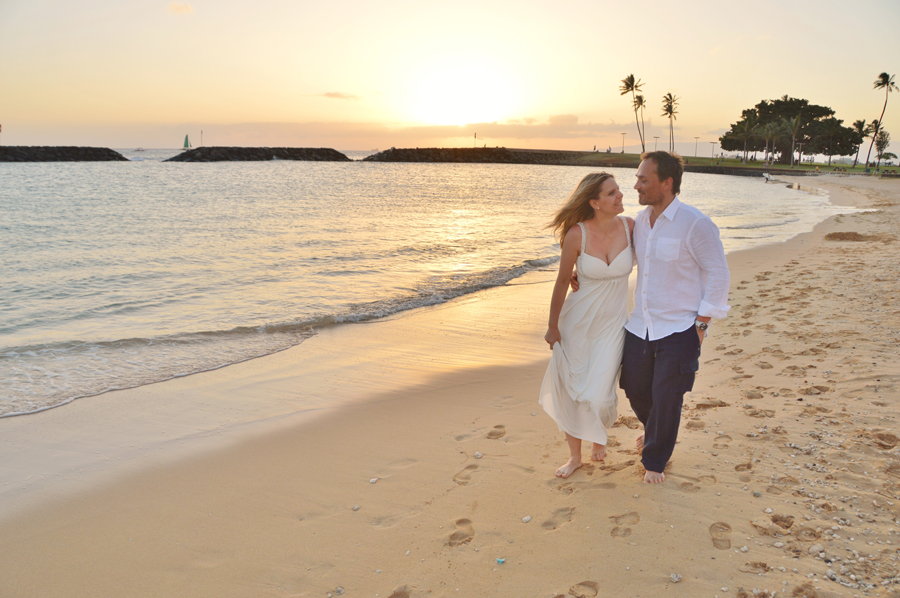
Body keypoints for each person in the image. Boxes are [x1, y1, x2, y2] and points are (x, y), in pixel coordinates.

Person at [618, 151, 730, 483]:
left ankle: (655, 461)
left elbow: (719, 274)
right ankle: (656, 430)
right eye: (637, 178)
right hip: (640, 324)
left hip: (680, 327)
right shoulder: (639, 223)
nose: (636, 185)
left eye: (643, 179)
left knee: (667, 396)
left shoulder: (695, 223)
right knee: (634, 387)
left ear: (666, 183)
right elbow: (627, 261)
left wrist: (702, 325)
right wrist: (581, 274)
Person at [540, 173, 635, 478]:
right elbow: (561, 282)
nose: (620, 195)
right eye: (612, 193)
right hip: (577, 323)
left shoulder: (631, 228)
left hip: (613, 325)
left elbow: (658, 260)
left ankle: (597, 433)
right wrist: (552, 326)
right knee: (573, 388)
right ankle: (575, 457)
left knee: (600, 392)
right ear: (595, 203)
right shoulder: (576, 235)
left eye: (618, 190)